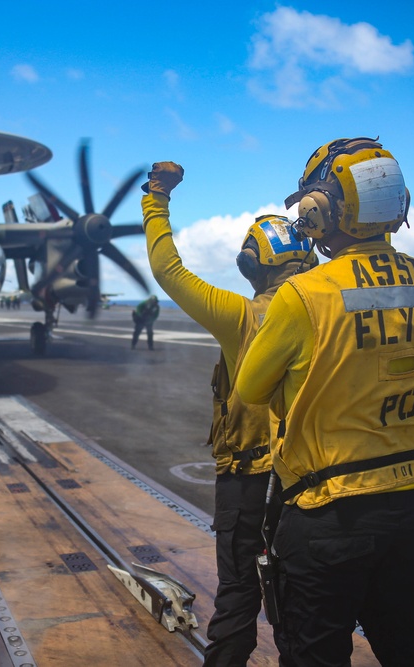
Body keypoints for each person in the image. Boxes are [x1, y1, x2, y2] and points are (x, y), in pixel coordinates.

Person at [236, 137, 414, 666]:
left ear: (320, 210)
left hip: (328, 514)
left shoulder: (302, 294)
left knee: (315, 656)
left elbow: (249, 389)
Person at [141, 162, 319, 665]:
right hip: (307, 480)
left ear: (250, 265)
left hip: (246, 479)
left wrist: (157, 196)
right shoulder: (323, 309)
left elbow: (167, 270)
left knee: (240, 591)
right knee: (301, 602)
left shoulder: (240, 314)